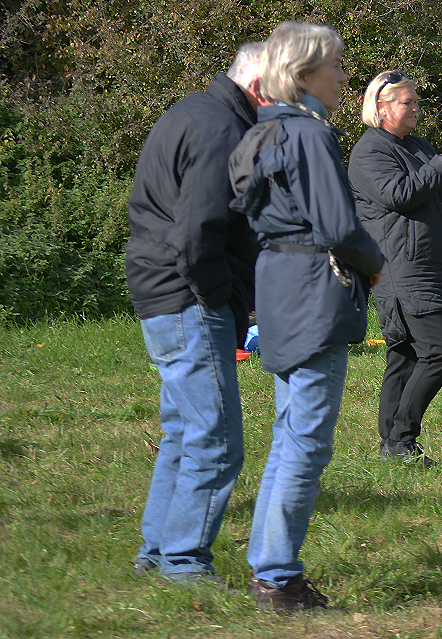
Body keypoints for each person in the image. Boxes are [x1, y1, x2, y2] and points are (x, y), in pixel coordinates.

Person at [237, 22, 384, 612]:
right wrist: (373, 264)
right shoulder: (310, 135)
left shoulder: (259, 132)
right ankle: (277, 576)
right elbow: (339, 224)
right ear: (303, 76)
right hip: (314, 289)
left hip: (275, 285)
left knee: (288, 435)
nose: (345, 76)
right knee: (306, 442)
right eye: (337, 66)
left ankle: (269, 567)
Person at [125, 41, 267, 584]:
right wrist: (221, 295)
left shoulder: (189, 112)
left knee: (185, 433)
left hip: (160, 292)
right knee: (218, 439)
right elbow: (197, 232)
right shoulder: (221, 130)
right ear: (257, 87)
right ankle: (183, 561)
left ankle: (156, 553)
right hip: (189, 299)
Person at [348, 71, 442, 465]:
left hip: (424, 264)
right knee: (440, 350)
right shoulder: (370, 152)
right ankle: (402, 438)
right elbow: (400, 195)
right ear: (382, 107)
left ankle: (392, 443)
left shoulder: (417, 146)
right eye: (408, 103)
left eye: (416, 102)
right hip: (400, 268)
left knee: (405, 352)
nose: (416, 109)